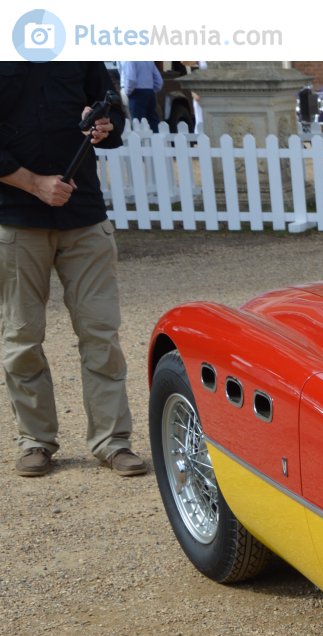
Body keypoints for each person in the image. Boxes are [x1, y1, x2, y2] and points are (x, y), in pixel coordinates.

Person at [0, 61, 146, 478]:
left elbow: (115, 114)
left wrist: (106, 127)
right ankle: (35, 441)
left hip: (84, 217)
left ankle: (113, 441)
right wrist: (33, 184)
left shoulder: (79, 49)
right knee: (22, 335)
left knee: (101, 331)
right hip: (15, 217)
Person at [120, 61, 163, 130]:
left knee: (137, 122)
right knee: (153, 120)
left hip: (136, 93)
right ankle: (157, 138)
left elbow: (131, 79)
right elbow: (159, 81)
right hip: (150, 91)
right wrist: (151, 90)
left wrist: (127, 92)